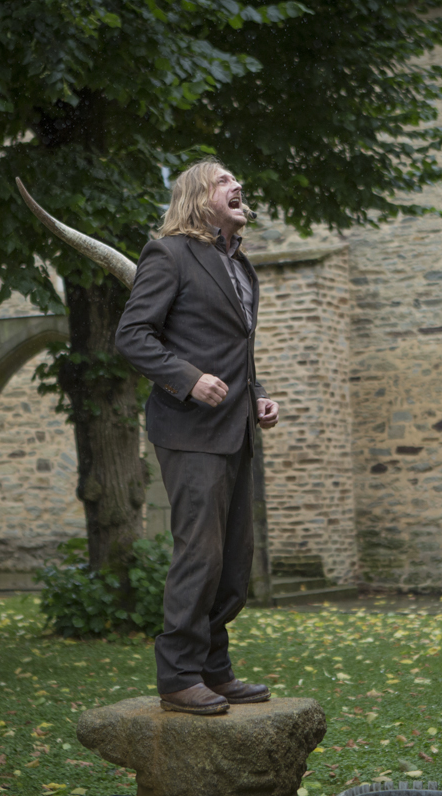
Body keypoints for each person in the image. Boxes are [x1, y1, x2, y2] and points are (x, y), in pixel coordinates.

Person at [115, 158, 280, 715]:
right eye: (223, 181)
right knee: (200, 555)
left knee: (234, 564)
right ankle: (179, 676)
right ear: (196, 198)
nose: (238, 185)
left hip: (236, 429)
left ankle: (213, 668)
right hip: (188, 430)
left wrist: (257, 393)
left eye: (237, 178)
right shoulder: (168, 254)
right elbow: (133, 336)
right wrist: (188, 380)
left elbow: (234, 350)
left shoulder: (241, 265)